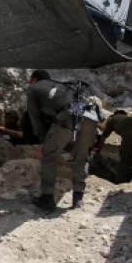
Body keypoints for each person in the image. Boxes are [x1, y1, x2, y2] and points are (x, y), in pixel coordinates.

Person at [26, 70, 100, 211]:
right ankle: (78, 199)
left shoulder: (33, 89)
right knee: (82, 156)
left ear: (34, 79)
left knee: (49, 153)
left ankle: (47, 199)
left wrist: (43, 140)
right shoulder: (61, 86)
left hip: (69, 115)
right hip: (90, 117)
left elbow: (34, 117)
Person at [93, 110, 132, 184]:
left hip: (131, 133)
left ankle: (121, 180)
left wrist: (98, 148)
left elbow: (104, 136)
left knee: (125, 157)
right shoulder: (130, 119)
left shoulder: (112, 119)